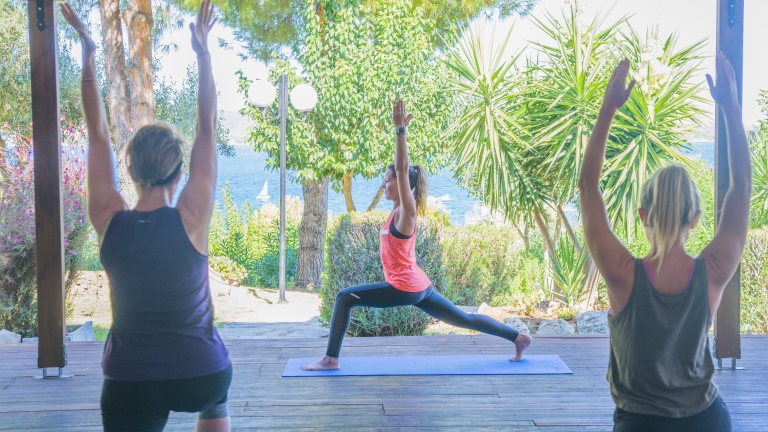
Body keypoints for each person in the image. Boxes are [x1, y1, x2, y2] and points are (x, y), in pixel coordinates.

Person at [61, 2, 231, 431]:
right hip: (201, 372)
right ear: (179, 173)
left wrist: (88, 52)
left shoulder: (108, 217)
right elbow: (208, 128)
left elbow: (97, 133)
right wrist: (203, 51)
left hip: (130, 378)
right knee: (213, 390)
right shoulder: (192, 215)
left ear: (130, 172)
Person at [579, 54, 749, 432]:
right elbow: (742, 188)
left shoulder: (623, 274)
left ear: (643, 216)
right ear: (695, 219)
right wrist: (731, 108)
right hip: (707, 421)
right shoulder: (713, 272)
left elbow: (588, 187)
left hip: (639, 425)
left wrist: (608, 109)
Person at [302, 100, 532, 371]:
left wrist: (400, 131)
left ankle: (330, 359)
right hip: (419, 285)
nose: (384, 184)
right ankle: (518, 338)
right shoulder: (396, 211)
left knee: (344, 298)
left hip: (406, 287)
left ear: (403, 185)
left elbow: (402, 168)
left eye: (387, 180)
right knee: (464, 319)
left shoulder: (406, 212)